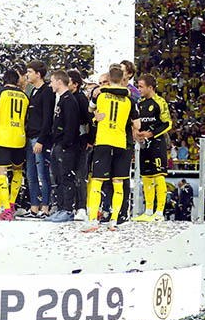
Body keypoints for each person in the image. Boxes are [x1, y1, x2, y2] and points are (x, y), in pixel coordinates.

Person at [83, 66, 140, 232]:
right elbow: (137, 124)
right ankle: (113, 221)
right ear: (123, 79)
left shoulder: (100, 95)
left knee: (97, 181)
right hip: (121, 143)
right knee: (118, 182)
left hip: (104, 142)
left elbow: (90, 110)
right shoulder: (130, 100)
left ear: (109, 78)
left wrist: (96, 117)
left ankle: (93, 219)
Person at [133, 74, 173, 222]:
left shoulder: (159, 102)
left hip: (157, 145)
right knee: (147, 177)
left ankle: (160, 213)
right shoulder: (140, 103)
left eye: (141, 86)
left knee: (159, 176)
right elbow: (137, 124)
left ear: (150, 87)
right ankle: (148, 211)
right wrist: (138, 134)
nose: (139, 89)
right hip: (144, 146)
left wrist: (152, 133)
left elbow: (168, 123)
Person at [0, 69, 29, 219]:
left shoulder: (0, 92)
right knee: (17, 171)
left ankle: (6, 208)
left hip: (3, 137)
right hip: (19, 137)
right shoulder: (24, 96)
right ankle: (12, 203)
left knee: (2, 173)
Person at [46, 70, 81, 222]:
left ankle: (68, 210)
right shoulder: (62, 99)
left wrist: (66, 144)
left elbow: (71, 126)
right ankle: (61, 208)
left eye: (52, 81)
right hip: (58, 144)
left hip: (65, 147)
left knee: (66, 178)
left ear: (59, 82)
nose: (50, 84)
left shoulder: (69, 100)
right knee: (58, 178)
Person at [25, 60, 54, 218]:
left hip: (39, 138)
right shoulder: (33, 91)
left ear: (38, 73)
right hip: (30, 137)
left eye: (29, 72)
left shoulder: (47, 92)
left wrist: (42, 140)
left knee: (42, 174)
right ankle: (34, 207)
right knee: (31, 175)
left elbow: (47, 118)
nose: (27, 75)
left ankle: (46, 207)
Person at [67, 70, 92, 221]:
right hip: (71, 142)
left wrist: (90, 139)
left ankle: (81, 208)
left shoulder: (81, 99)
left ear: (75, 84)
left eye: (68, 81)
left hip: (81, 142)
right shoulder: (67, 97)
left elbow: (90, 120)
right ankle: (70, 206)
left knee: (80, 176)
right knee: (68, 176)